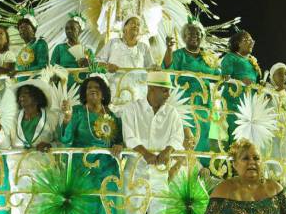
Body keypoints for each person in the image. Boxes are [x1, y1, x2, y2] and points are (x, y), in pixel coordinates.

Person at [59, 75, 124, 214]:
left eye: (97, 88)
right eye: (88, 88)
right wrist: (67, 119)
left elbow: (119, 140)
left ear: (104, 93)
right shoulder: (77, 112)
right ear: (84, 94)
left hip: (107, 173)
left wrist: (119, 145)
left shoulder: (111, 115)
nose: (92, 90)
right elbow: (65, 140)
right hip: (84, 172)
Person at [120, 71, 186, 214]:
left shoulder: (171, 113)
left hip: (160, 174)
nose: (168, 94)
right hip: (136, 172)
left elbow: (178, 136)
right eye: (165, 90)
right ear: (152, 89)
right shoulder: (132, 108)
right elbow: (129, 136)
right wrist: (145, 153)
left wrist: (168, 150)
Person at [4, 80, 60, 214]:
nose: (22, 97)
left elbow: (60, 142)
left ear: (36, 98)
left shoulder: (51, 117)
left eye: (26, 94)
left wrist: (50, 145)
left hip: (42, 173)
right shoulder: (14, 118)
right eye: (20, 94)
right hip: (19, 173)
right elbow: (5, 143)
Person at [163, 21, 220, 152]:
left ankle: (201, 168)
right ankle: (182, 167)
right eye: (190, 34)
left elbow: (217, 75)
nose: (195, 36)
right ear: (184, 37)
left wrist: (224, 76)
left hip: (204, 104)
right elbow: (167, 70)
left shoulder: (208, 57)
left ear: (202, 36)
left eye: (198, 33)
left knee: (203, 136)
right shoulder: (178, 55)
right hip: (184, 104)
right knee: (186, 138)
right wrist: (169, 50)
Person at [96, 16, 155, 106]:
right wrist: (107, 66)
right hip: (115, 91)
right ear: (124, 27)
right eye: (132, 23)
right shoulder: (113, 43)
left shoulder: (144, 47)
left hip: (137, 92)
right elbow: (97, 61)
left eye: (138, 25)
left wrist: (155, 67)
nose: (136, 26)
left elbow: (151, 67)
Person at [219, 29, 261, 148]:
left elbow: (255, 80)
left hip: (250, 102)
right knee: (235, 133)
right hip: (234, 101)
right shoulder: (230, 57)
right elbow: (224, 78)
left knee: (249, 136)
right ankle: (233, 163)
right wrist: (240, 81)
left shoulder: (251, 61)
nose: (251, 43)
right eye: (247, 40)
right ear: (238, 43)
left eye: (251, 40)